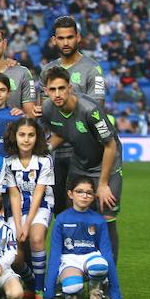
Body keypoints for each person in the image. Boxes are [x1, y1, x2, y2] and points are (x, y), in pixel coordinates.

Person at [42, 66, 123, 262]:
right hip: (79, 164)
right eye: (52, 90)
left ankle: (105, 279)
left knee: (105, 219)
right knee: (75, 216)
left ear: (70, 88)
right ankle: (75, 269)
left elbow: (110, 146)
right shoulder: (48, 109)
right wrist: (44, 150)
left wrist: (102, 185)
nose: (57, 94)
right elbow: (61, 132)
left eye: (61, 88)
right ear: (46, 91)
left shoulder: (91, 110)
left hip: (106, 165)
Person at [38, 16, 107, 216]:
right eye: (61, 38)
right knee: (59, 210)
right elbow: (45, 112)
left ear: (78, 38)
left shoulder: (93, 69)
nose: (66, 42)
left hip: (85, 151)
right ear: (54, 40)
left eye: (70, 37)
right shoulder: (47, 71)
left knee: (85, 209)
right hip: (58, 152)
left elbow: (96, 109)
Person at [44, 178, 123, 299]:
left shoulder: (98, 220)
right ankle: (74, 290)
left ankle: (95, 288)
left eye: (89, 193)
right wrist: (49, 290)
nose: (84, 196)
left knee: (100, 265)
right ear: (70, 194)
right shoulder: (61, 219)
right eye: (79, 191)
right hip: (69, 260)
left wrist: (115, 291)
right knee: (72, 287)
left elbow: (107, 254)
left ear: (93, 196)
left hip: (90, 258)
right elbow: (54, 255)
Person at [4, 117, 54, 299]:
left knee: (36, 238)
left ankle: (40, 288)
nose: (26, 140)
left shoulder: (45, 160)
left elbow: (40, 193)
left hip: (40, 205)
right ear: (14, 137)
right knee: (15, 256)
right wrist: (18, 225)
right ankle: (30, 281)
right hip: (17, 208)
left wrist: (27, 223)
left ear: (37, 137)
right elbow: (14, 195)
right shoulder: (9, 161)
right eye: (22, 135)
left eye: (31, 135)